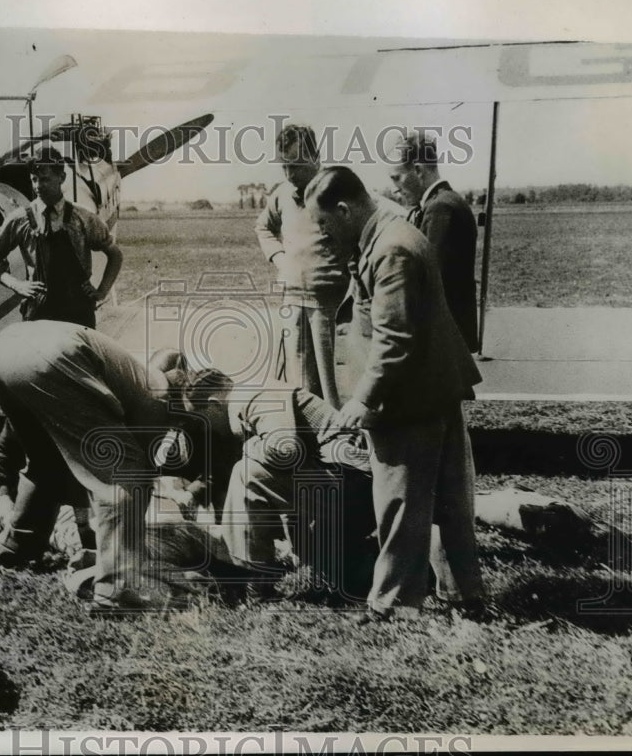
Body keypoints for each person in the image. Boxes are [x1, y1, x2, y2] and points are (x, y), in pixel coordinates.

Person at [303, 166, 486, 621]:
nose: (323, 236)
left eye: (325, 224)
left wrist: (362, 399)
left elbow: (393, 338)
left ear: (344, 210)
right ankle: (465, 594)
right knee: (450, 501)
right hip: (431, 387)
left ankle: (394, 605)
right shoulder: (389, 235)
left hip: (407, 397)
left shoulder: (391, 250)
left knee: (398, 501)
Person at [0, 320, 175, 613]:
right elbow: (136, 472)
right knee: (127, 475)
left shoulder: (136, 375)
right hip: (52, 356)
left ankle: (14, 549)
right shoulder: (158, 398)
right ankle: (116, 591)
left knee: (45, 460)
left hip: (1, 352)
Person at [0, 145, 124, 527]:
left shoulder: (83, 220)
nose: (38, 183)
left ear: (62, 178)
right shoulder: (21, 219)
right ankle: (3, 490)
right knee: (23, 408)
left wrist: (102, 290)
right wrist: (17, 285)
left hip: (78, 322)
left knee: (82, 405)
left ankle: (83, 505)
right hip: (38, 321)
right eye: (33, 177)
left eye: (45, 176)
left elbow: (115, 253)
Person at [181, 368, 374, 597]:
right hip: (348, 484)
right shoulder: (251, 394)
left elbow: (286, 451)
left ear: (213, 404)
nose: (205, 428)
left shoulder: (250, 396)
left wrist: (248, 448)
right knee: (328, 566)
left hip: (355, 484)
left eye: (201, 419)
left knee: (245, 472)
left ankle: (252, 576)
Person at [255, 124, 350, 408]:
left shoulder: (336, 192)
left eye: (295, 164)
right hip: (293, 302)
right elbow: (263, 227)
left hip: (329, 306)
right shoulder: (282, 194)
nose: (289, 174)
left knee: (331, 387)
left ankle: (341, 443)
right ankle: (307, 444)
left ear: (316, 157)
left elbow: (358, 237)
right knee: (298, 385)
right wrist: (279, 258)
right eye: (283, 166)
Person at [386, 131, 479, 352]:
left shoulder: (439, 208)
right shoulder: (447, 201)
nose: (394, 189)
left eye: (397, 177)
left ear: (418, 170)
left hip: (441, 336)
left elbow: (431, 278)